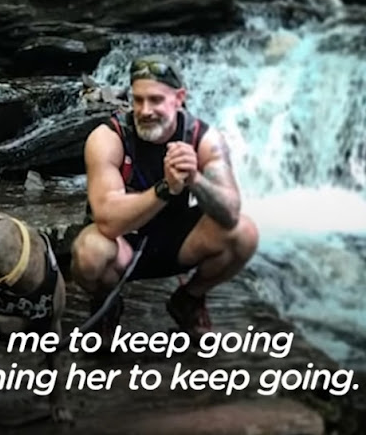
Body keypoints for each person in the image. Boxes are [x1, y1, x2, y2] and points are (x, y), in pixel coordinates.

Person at [70, 54, 259, 342]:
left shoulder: (204, 139)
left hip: (176, 243)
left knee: (244, 234)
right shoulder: (109, 137)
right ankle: (106, 302)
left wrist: (194, 178)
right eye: (138, 100)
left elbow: (231, 212)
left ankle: (189, 299)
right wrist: (165, 189)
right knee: (89, 252)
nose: (145, 110)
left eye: (156, 100)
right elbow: (107, 221)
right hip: (122, 244)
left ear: (179, 98)